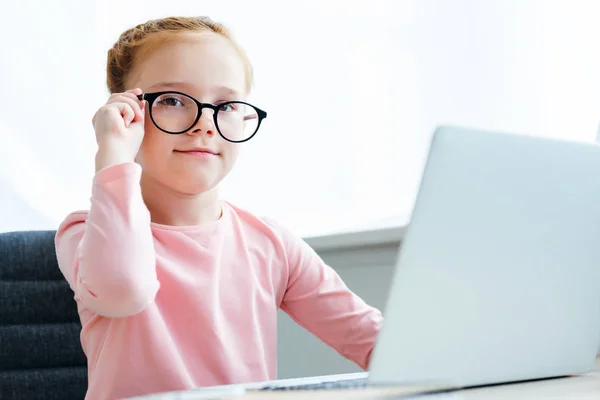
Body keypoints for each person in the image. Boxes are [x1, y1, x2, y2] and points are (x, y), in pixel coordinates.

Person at [55, 15, 383, 400]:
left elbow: (374, 340)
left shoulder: (269, 243)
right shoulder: (82, 234)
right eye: (173, 100)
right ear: (126, 113)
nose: (206, 124)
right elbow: (122, 289)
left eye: (226, 105)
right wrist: (113, 155)